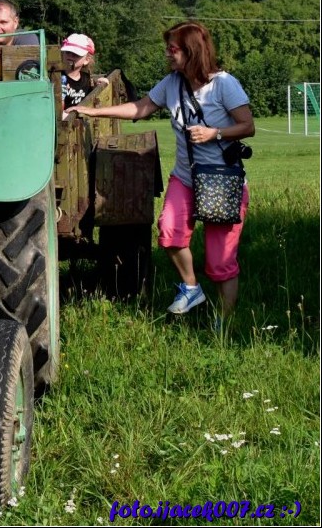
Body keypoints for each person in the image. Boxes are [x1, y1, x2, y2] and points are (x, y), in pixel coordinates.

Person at [71, 21, 255, 323]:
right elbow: (141, 108)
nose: (168, 55)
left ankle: (225, 323)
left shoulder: (224, 84)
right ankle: (191, 287)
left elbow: (248, 126)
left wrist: (214, 134)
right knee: (170, 234)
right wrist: (93, 111)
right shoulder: (172, 83)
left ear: (191, 51)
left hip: (223, 180)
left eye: (173, 50)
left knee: (220, 260)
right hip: (186, 177)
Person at [59, 33, 108, 112]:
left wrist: (97, 87)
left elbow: (91, 98)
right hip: (62, 120)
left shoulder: (86, 79)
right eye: (67, 52)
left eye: (75, 54)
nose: (70, 56)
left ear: (87, 60)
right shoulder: (57, 77)